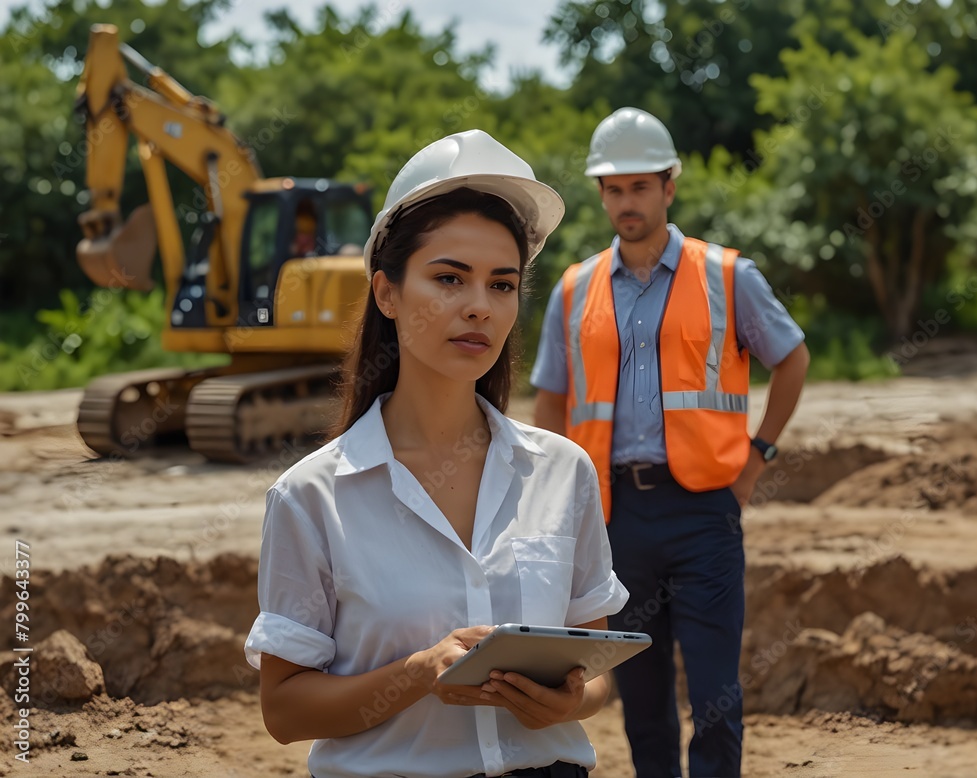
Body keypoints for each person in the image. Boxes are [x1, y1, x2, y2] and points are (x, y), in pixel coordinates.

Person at [244, 129, 630, 778]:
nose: (479, 306)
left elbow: (594, 678)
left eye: (501, 285)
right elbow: (285, 711)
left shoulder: (564, 473)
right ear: (387, 293)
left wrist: (565, 702)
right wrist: (418, 674)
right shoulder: (313, 497)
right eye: (449, 278)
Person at [530, 107, 810, 778]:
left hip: (705, 512)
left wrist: (756, 459)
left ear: (669, 187)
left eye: (641, 187)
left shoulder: (727, 276)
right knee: (642, 699)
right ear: (601, 195)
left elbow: (792, 359)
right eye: (615, 189)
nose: (628, 202)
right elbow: (550, 403)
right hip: (613, 517)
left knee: (715, 696)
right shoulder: (573, 290)